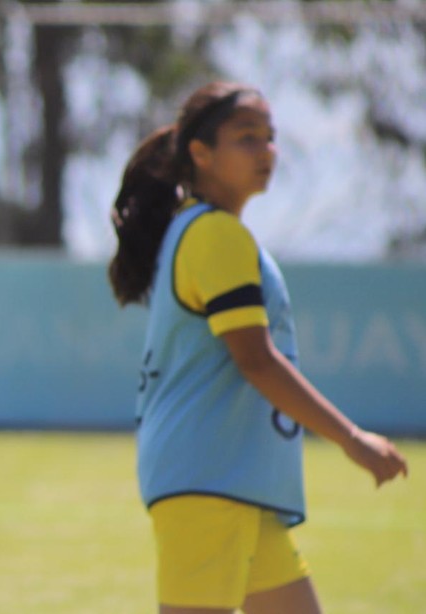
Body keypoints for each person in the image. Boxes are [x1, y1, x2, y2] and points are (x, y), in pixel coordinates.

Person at [107, 81, 408, 614]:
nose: (266, 151)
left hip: (234, 484)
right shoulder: (215, 234)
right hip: (209, 483)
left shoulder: (205, 230)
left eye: (270, 138)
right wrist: (351, 438)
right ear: (200, 153)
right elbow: (256, 359)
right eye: (247, 138)